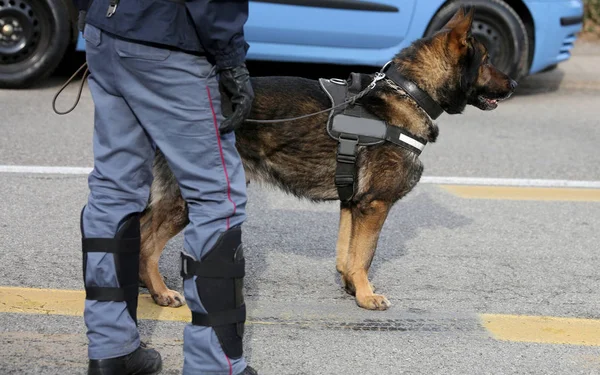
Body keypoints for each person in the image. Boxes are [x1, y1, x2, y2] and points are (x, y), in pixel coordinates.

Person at [73, 0, 256, 373]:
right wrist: (231, 59)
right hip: (168, 43)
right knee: (216, 200)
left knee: (113, 190)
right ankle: (213, 366)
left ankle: (111, 351)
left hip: (106, 31)